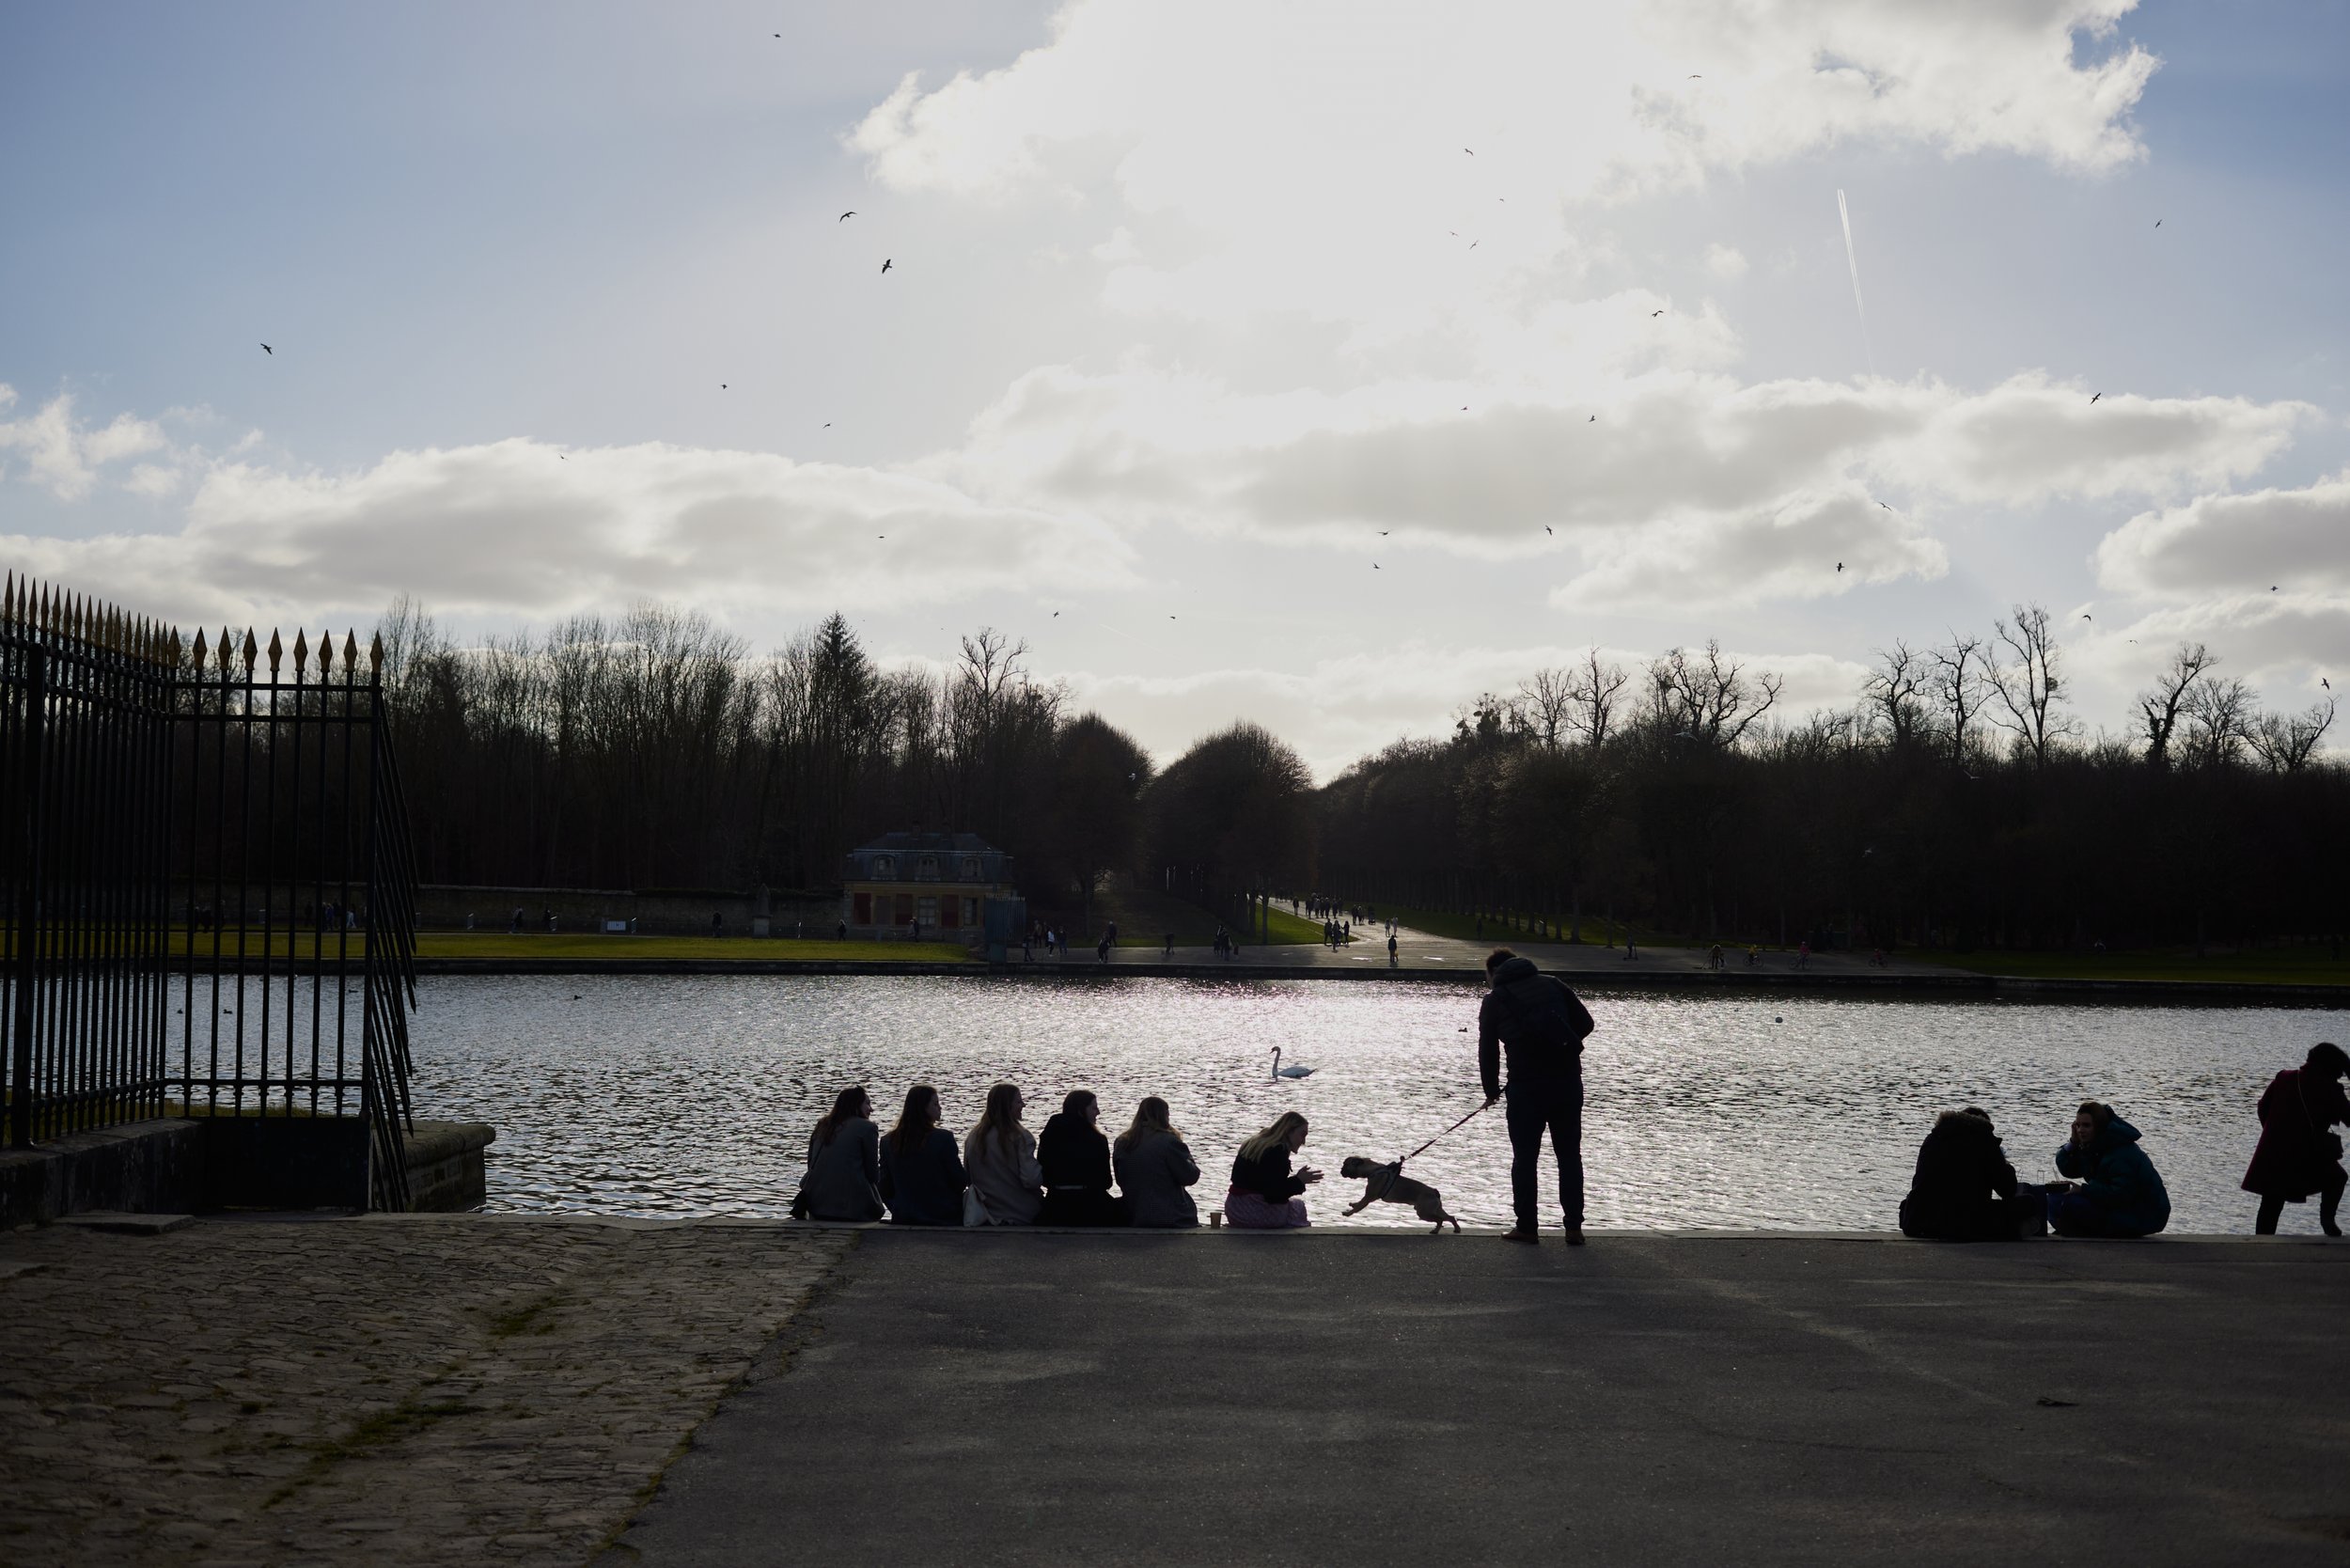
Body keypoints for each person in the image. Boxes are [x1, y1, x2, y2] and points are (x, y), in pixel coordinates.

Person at [1480, 947, 1595, 1246]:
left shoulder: (1495, 1000)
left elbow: (1488, 1052)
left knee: (1525, 1159)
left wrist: (1491, 1092)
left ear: (1493, 973)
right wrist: (1558, 1042)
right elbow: (1586, 1024)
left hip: (1525, 1087)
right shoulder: (1553, 983)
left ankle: (1527, 1228)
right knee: (1569, 1156)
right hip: (1567, 1081)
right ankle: (1573, 1229)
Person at [2242, 1042, 2350, 1236]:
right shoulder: (2331, 1089)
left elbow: (2262, 1108)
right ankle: (2327, 1220)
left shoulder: (2284, 1078)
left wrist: (2275, 1133)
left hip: (2273, 1150)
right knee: (2337, 1178)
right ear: (2332, 1067)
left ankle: (2262, 1243)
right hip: (2306, 1154)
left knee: (2271, 1200)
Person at [1898, 1107, 2043, 1241]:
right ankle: (2012, 1230)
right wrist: (2004, 1162)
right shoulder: (1983, 1139)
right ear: (1985, 1125)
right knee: (2029, 1202)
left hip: (1917, 1223)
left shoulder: (1933, 1137)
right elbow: (2008, 1189)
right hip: (1961, 1224)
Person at [2049, 1101, 2170, 1238]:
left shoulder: (2122, 1152)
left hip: (2141, 1214)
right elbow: (2068, 1169)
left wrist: (2084, 1190)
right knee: (2053, 1199)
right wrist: (2073, 1143)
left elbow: (2121, 1194)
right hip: (2114, 1206)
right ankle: (2073, 1228)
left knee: (2070, 1204)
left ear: (2099, 1126)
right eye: (2078, 1125)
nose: (2080, 1130)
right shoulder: (2092, 1147)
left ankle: (2079, 1229)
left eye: (2086, 1125)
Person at [879, 1084, 966, 1227]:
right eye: (935, 1103)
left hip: (904, 1215)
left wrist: (897, 1206)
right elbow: (959, 1182)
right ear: (923, 1108)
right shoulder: (944, 1138)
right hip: (943, 1215)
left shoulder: (887, 1141)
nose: (940, 1107)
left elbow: (884, 1186)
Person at [1038, 1090, 1127, 1226]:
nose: (1098, 1112)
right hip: (1090, 1205)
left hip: (1056, 1203)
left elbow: (1043, 1174)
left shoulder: (1049, 1134)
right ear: (1081, 1110)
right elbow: (1106, 1181)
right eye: (1094, 1108)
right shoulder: (1097, 1139)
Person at [794, 1086, 884, 1222]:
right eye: (867, 1103)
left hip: (817, 1204)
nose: (871, 1109)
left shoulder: (822, 1124)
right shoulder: (867, 1128)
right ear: (855, 1105)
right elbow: (873, 1175)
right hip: (852, 1208)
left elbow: (811, 1164)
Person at [963, 1082, 1044, 1225]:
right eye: (1019, 1101)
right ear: (1008, 1106)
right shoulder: (1021, 1137)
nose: (1023, 1105)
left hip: (985, 1213)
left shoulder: (973, 1137)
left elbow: (968, 1177)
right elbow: (1032, 1180)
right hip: (1021, 1213)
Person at [1114, 1096, 1200, 1228]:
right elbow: (1189, 1177)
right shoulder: (1169, 1141)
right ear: (1164, 1115)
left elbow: (1120, 1179)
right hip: (1170, 1215)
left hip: (1133, 1213)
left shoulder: (1122, 1141)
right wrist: (1188, 1159)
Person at [1226, 1111, 1319, 1228]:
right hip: (1252, 1213)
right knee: (1298, 1207)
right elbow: (1274, 1195)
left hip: (1234, 1210)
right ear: (1289, 1131)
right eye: (1302, 1135)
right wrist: (1299, 1181)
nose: (1304, 1141)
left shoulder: (1253, 1143)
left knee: (1292, 1208)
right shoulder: (1278, 1150)